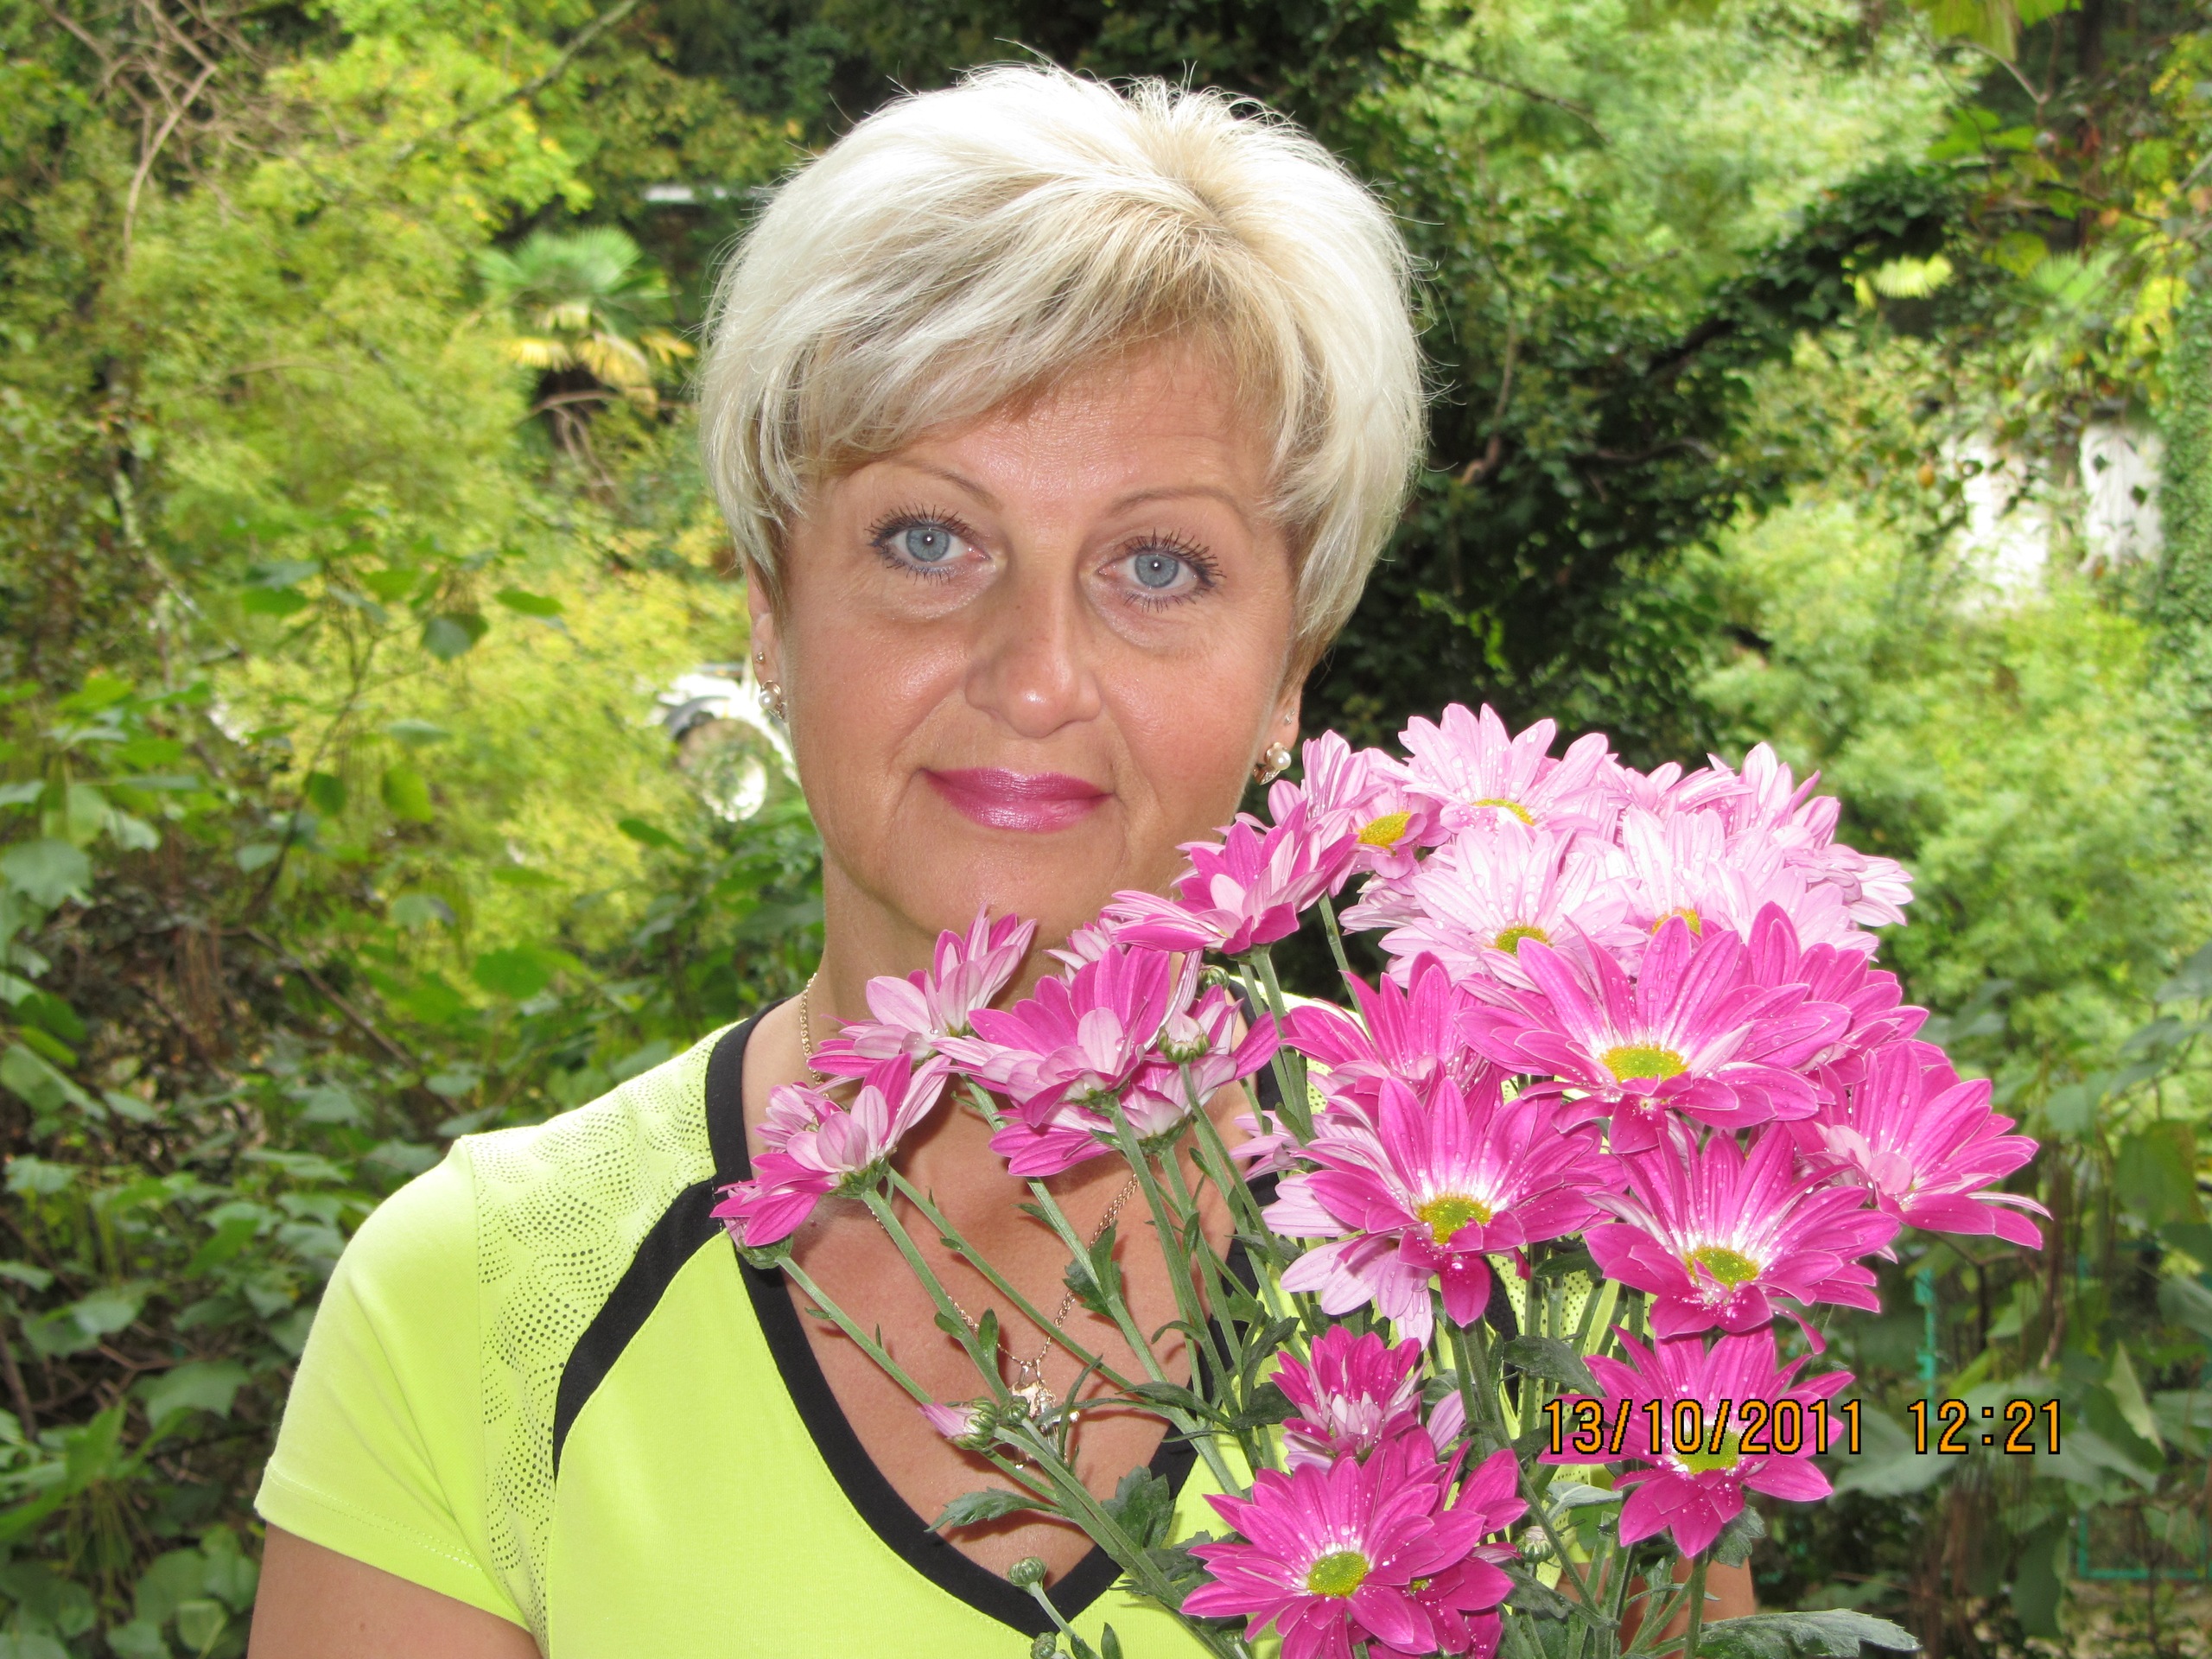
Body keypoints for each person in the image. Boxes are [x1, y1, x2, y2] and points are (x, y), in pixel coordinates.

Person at [246, 64, 1422, 1658]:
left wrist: (1708, 1390)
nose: (1036, 677)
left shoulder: (1576, 1264)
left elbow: (1711, 1494)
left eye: (1158, 565)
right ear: (768, 610)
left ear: (1291, 673)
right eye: (928, 540)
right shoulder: (474, 1308)